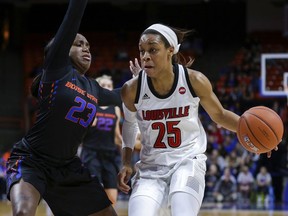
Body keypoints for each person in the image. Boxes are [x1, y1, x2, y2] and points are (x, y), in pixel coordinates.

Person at [117, 23, 277, 216]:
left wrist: (262, 137)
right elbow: (129, 123)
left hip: (188, 161)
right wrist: (126, 161)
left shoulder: (194, 80)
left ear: (170, 51)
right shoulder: (131, 89)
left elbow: (219, 115)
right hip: (150, 168)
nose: (145, 56)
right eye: (142, 51)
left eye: (153, 50)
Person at [5, 0, 121, 215]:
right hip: (32, 160)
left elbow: (123, 96)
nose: (86, 48)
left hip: (68, 167)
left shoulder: (95, 88)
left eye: (88, 46)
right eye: (78, 44)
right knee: (23, 212)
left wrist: (152, 80)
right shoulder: (57, 69)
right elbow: (71, 20)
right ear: (63, 48)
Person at [80, 74, 122, 207]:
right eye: (103, 85)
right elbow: (78, 132)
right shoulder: (89, 106)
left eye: (109, 86)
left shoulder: (115, 109)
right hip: (91, 153)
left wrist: (130, 144)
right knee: (93, 195)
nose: (107, 88)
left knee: (112, 199)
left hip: (110, 154)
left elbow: (116, 135)